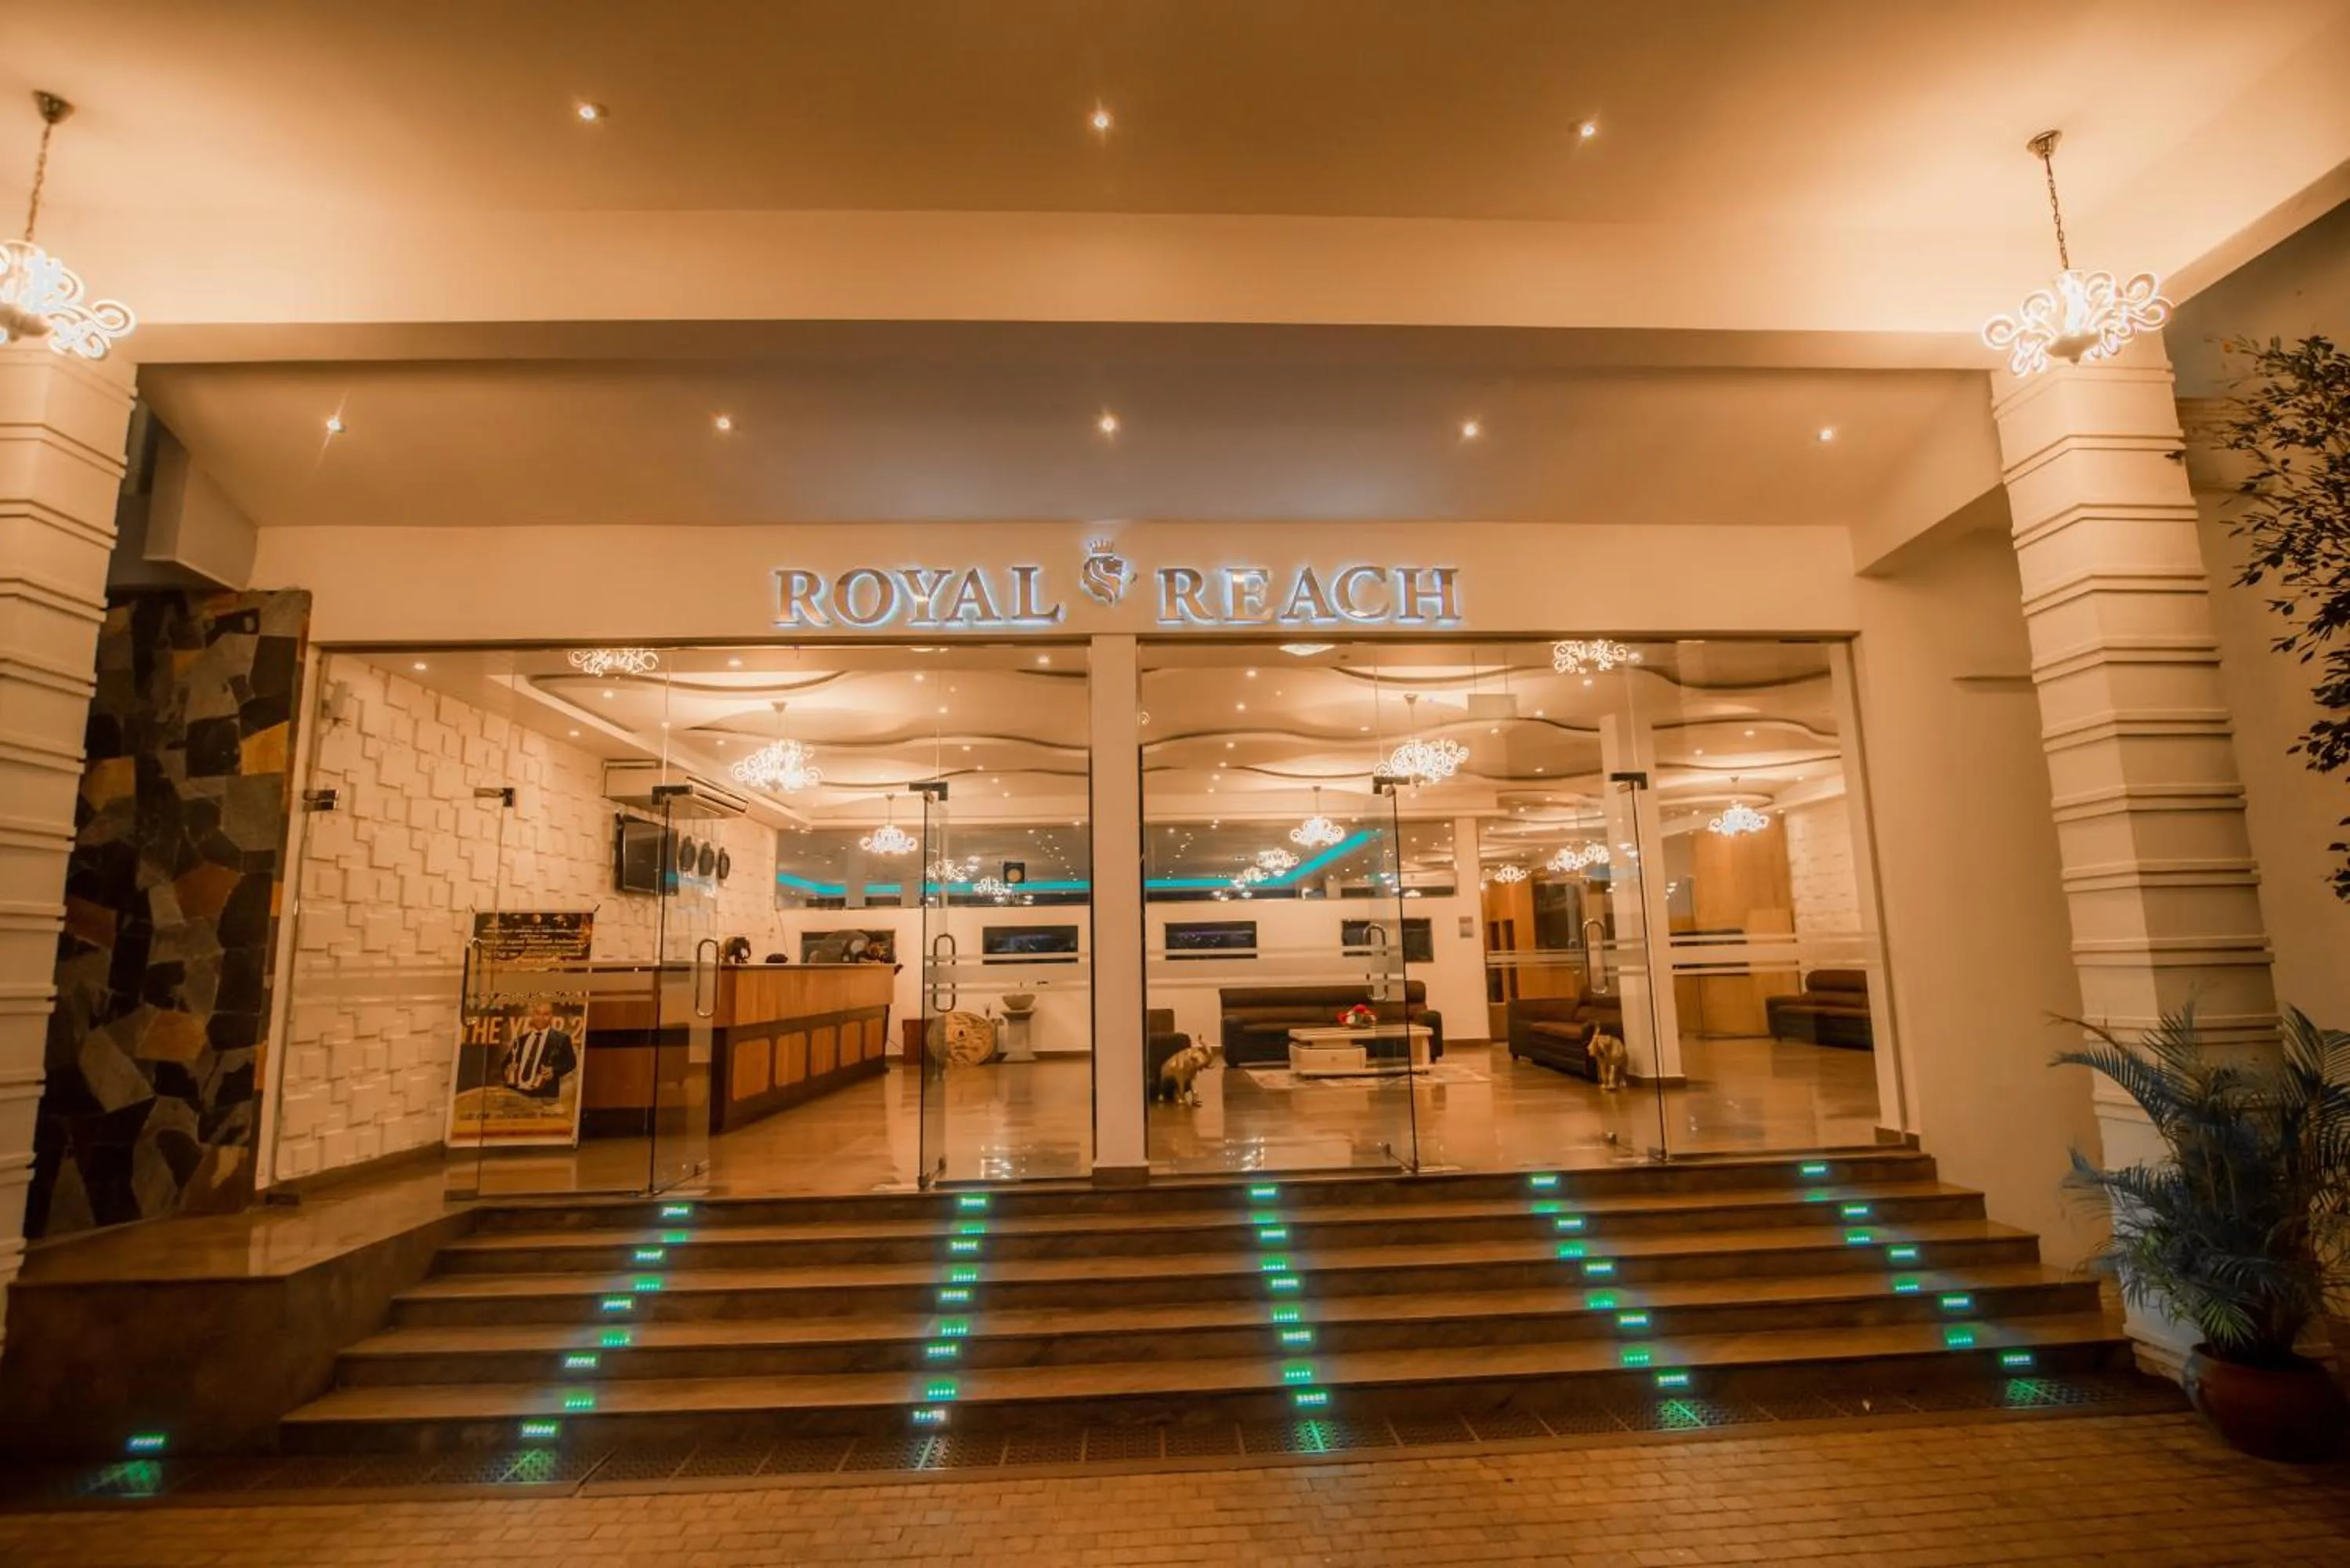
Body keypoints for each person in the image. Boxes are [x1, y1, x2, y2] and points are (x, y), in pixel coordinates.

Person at [500, 995, 577, 1100]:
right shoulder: (520, 1040)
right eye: (537, 1013)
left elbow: (571, 1062)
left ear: (552, 1016)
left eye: (546, 1014)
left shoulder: (562, 1039)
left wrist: (554, 1071)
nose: (541, 1017)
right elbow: (505, 1063)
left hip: (545, 1099)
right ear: (532, 1014)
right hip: (516, 1096)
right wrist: (507, 1069)